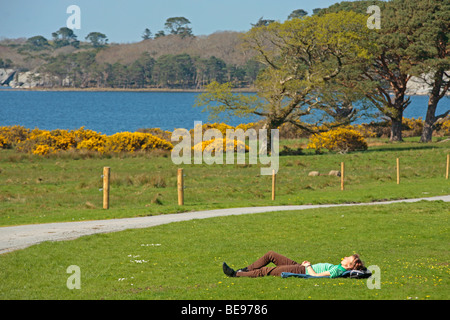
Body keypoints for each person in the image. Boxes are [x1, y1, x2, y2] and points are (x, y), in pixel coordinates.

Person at [222, 250, 365, 278]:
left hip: (302, 271)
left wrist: (308, 266)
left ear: (350, 265)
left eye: (348, 258)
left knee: (267, 270)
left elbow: (316, 276)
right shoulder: (340, 267)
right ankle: (245, 269)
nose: (345, 257)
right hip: (302, 267)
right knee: (271, 254)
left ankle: (236, 274)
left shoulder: (337, 271)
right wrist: (306, 264)